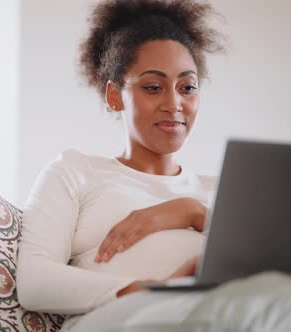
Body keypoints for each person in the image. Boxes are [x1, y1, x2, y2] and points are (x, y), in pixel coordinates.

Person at [15, 0, 225, 329]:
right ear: (115, 96)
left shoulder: (219, 191)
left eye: (187, 88)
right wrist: (151, 292)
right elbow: (34, 280)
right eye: (153, 87)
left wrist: (192, 212)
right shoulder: (76, 171)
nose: (174, 104)